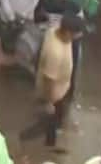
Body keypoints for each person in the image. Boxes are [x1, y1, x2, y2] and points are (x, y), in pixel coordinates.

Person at [21, 13, 84, 149]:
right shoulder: (55, 53)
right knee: (50, 119)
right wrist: (49, 102)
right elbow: (49, 79)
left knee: (54, 118)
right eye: (76, 34)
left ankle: (48, 133)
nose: (78, 36)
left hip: (61, 89)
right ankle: (45, 142)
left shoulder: (53, 31)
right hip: (54, 95)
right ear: (68, 32)